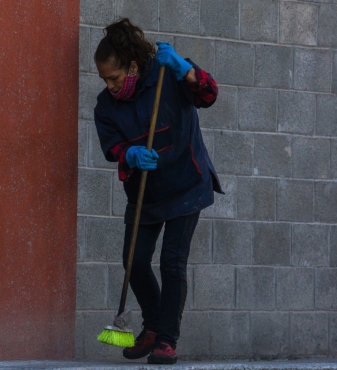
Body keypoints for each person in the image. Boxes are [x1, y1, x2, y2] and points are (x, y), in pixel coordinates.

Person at [93, 18, 223, 364]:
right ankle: (151, 327)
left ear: (133, 66)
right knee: (133, 261)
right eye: (104, 79)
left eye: (115, 78)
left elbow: (209, 94)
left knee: (172, 262)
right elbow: (113, 148)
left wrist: (184, 68)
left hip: (186, 183)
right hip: (145, 192)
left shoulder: (167, 74)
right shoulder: (105, 106)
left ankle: (166, 339)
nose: (110, 86)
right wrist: (130, 153)